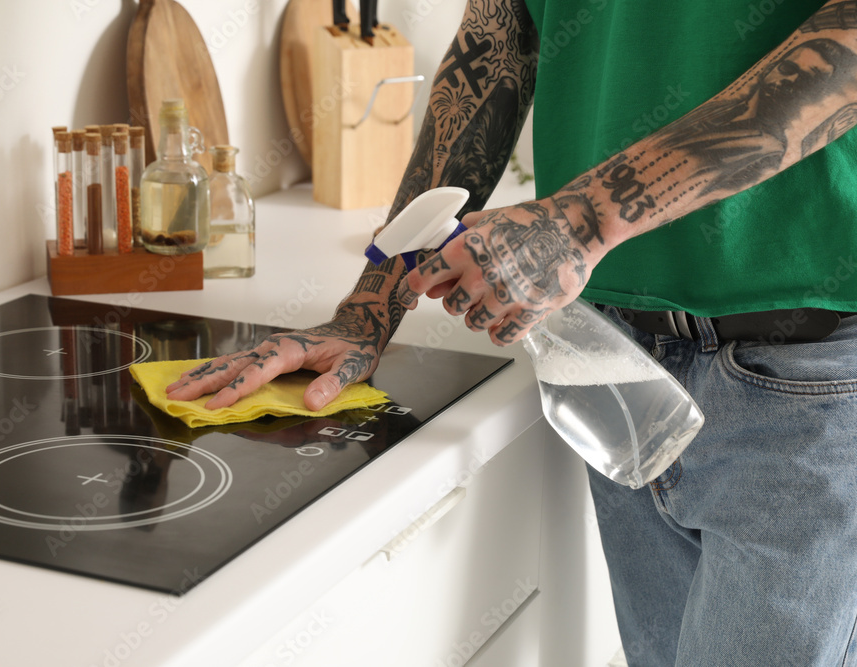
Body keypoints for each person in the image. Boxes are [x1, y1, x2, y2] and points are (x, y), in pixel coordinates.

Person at [169, 0, 857, 663]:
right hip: (614, 354)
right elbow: (496, 42)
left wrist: (583, 219)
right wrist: (370, 305)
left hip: (807, 371)